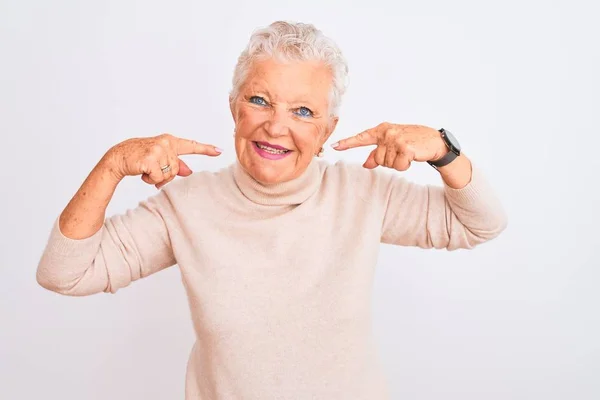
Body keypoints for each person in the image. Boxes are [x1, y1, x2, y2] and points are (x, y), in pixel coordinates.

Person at [36, 20, 507, 400]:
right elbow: (65, 273)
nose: (275, 126)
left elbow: (480, 223)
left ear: (328, 130)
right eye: (259, 100)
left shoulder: (363, 194)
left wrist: (445, 151)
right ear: (234, 108)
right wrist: (114, 164)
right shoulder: (186, 207)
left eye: (303, 111)